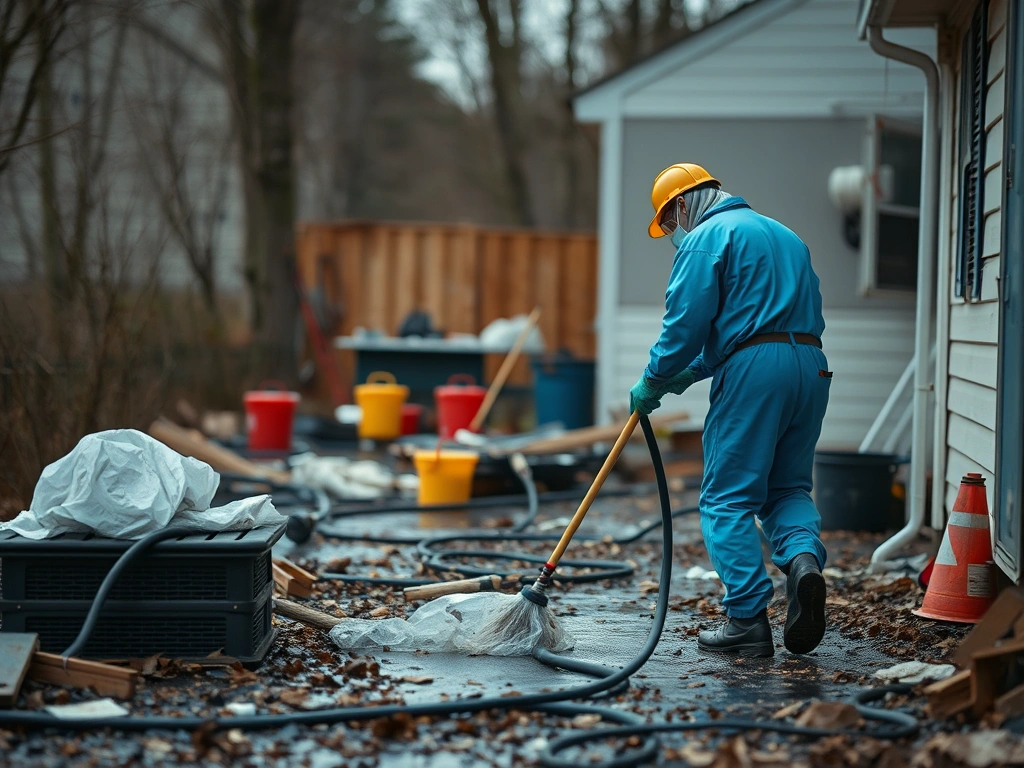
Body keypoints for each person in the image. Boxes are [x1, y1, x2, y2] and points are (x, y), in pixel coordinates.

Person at [630, 163, 831, 658]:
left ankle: (746, 619)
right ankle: (803, 564)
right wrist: (690, 373)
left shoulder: (707, 237)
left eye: (670, 221)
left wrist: (655, 377)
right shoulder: (786, 235)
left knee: (727, 498)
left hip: (756, 371)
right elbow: (762, 319)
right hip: (810, 364)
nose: (674, 233)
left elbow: (684, 325)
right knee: (787, 487)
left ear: (682, 203)